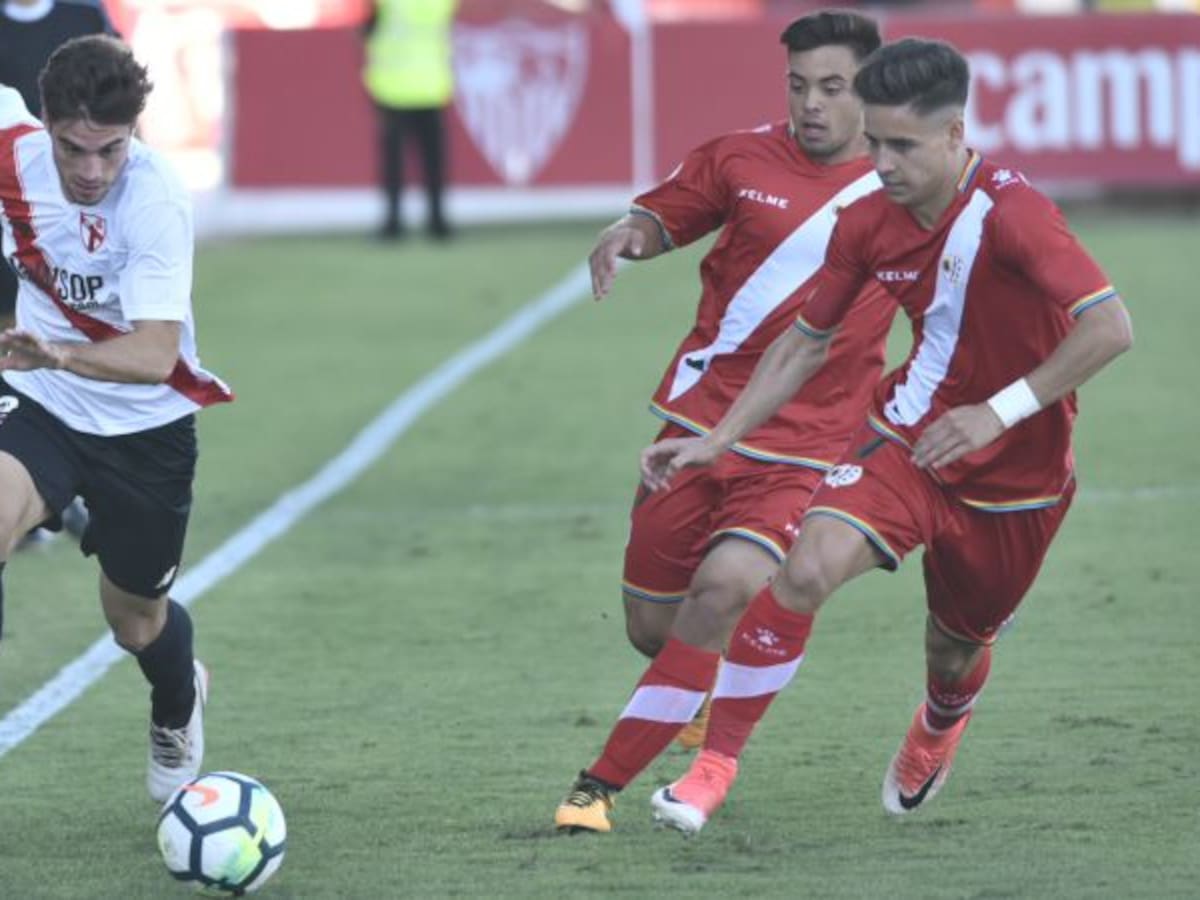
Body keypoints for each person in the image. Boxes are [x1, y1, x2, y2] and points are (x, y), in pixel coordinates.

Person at [641, 38, 1134, 834]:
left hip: (1018, 477)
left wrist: (997, 412)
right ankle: (712, 768)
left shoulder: (1015, 215)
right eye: (873, 141)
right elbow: (806, 342)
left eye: (902, 145)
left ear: (955, 134)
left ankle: (940, 721)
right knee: (805, 569)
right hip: (907, 438)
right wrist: (719, 436)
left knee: (953, 649)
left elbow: (1110, 327)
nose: (881, 162)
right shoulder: (868, 219)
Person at [554, 11, 894, 834]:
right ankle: (699, 687)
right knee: (654, 628)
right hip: (696, 425)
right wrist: (626, 236)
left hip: (808, 447)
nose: (811, 104)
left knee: (723, 591)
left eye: (833, 87)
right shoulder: (739, 158)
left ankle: (597, 790)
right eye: (799, 86)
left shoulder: (903, 187)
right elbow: (662, 217)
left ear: (871, 91)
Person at [0, 35, 232, 801]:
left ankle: (178, 698)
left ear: (135, 131)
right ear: (44, 123)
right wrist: (49, 366)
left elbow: (156, 354)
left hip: (143, 427)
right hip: (43, 401)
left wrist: (59, 353)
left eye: (111, 149)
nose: (93, 171)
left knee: (135, 621)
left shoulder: (156, 199)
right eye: (74, 148)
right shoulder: (10, 148)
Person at [0, 0, 117, 331]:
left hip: (74, 187)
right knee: (10, 307)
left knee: (77, 307)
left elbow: (118, 93)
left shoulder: (84, 17)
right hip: (8, 190)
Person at [362, 0, 457, 240]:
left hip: (392, 89)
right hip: (432, 86)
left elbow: (367, 29)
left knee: (393, 163)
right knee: (434, 161)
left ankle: (393, 224)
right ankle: (438, 222)